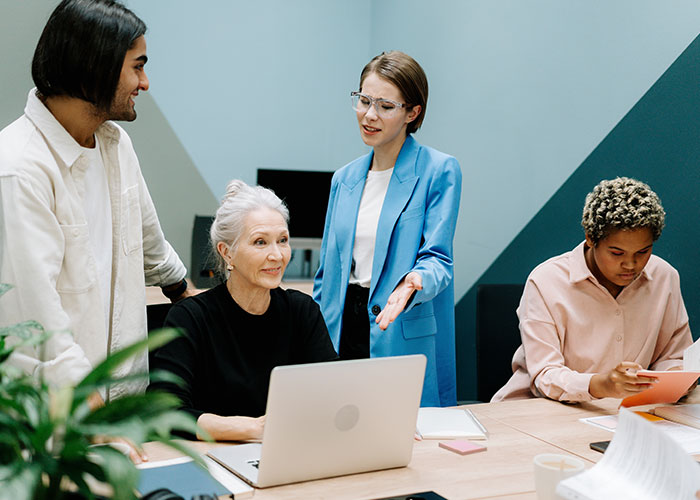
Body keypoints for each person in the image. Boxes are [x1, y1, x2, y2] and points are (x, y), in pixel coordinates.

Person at [0, 0, 190, 403]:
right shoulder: (18, 168)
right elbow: (39, 321)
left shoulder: (116, 145)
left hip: (124, 403)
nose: (145, 83)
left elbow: (148, 240)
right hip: (62, 415)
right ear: (96, 67)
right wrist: (93, 417)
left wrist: (181, 290)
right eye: (137, 67)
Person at [313, 51, 462, 407]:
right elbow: (327, 272)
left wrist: (413, 281)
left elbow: (438, 259)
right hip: (341, 326)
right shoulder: (344, 179)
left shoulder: (439, 170)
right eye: (364, 100)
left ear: (413, 112)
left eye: (385, 106)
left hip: (398, 320)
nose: (369, 115)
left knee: (399, 430)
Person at [149, 180, 338, 441]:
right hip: (211, 455)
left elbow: (333, 392)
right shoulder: (190, 317)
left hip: (286, 449)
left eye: (282, 240)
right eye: (260, 242)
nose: (277, 255)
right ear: (227, 253)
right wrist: (252, 429)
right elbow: (164, 411)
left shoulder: (302, 311)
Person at [492, 177, 693, 402]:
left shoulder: (664, 277)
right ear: (590, 239)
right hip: (538, 408)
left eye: (642, 252)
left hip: (621, 412)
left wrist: (679, 376)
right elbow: (545, 375)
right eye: (617, 253)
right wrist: (600, 385)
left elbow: (674, 357)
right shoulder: (545, 281)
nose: (630, 264)